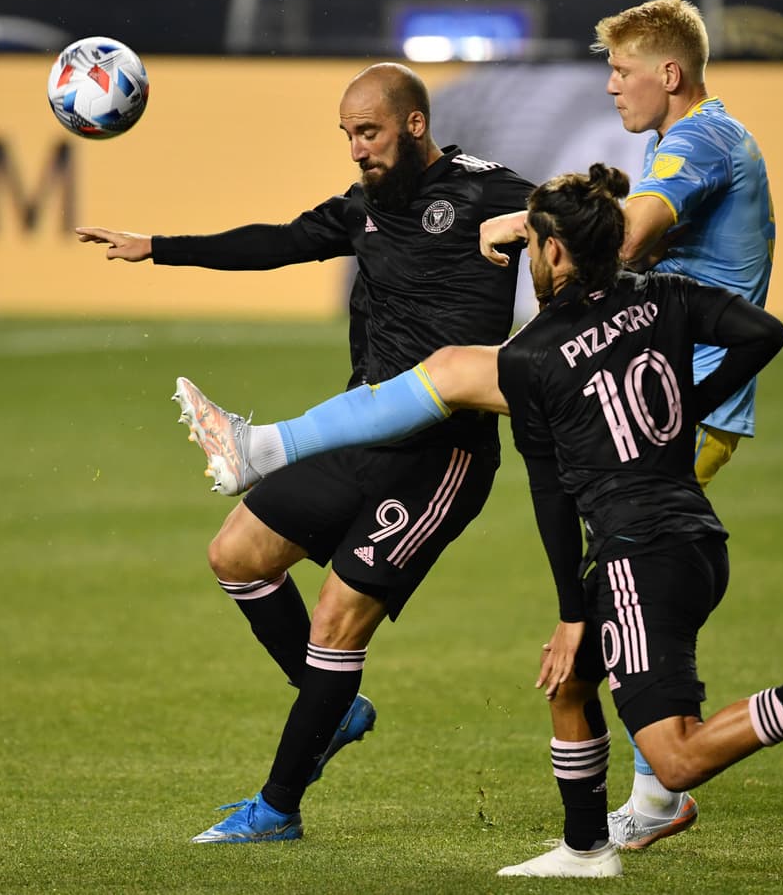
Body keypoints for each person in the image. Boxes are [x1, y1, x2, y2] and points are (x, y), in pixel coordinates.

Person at [174, 163, 783, 878]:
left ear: (550, 253)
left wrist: (572, 608)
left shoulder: (533, 357)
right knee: (572, 684)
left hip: (639, 553)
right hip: (691, 534)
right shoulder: (667, 296)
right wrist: (688, 407)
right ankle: (586, 849)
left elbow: (550, 497)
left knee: (676, 752)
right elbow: (764, 332)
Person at [77, 62, 536, 843]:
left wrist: (538, 225)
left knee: (335, 621)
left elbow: (581, 215)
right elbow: (277, 243)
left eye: (370, 132)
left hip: (440, 457)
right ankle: (335, 706)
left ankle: (277, 809)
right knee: (237, 555)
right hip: (359, 432)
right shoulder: (362, 210)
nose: (357, 149)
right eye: (348, 135)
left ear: (414, 126)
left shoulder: (485, 191)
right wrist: (158, 247)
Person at [474, 0, 777, 846]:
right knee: (623, 607)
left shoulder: (699, 141)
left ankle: (659, 784)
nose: (610, 87)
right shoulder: (681, 140)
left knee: (454, 381)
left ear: (668, 75)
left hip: (660, 404)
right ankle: (655, 780)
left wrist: (530, 224)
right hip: (654, 394)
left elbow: (629, 240)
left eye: (621, 70)